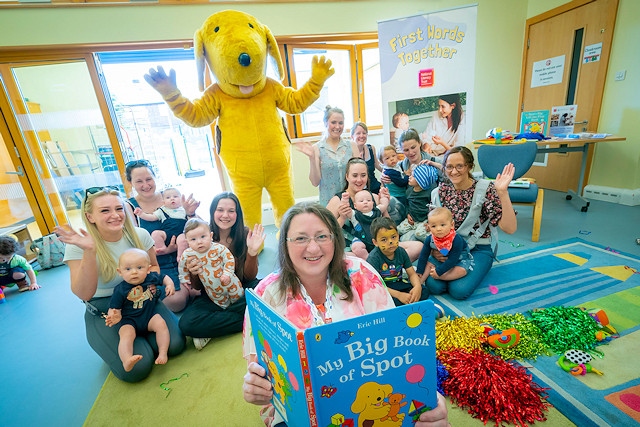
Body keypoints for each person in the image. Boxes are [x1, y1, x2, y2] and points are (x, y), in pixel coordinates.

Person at [241, 202, 449, 427]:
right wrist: (255, 388)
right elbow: (260, 373)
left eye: (322, 236)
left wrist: (427, 399)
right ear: (285, 244)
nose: (313, 248)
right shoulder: (265, 295)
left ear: (335, 239)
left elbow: (395, 350)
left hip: (372, 403)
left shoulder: (360, 273)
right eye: (301, 238)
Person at [55, 186, 185, 382]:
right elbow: (84, 294)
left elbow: (155, 268)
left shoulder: (140, 235)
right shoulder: (78, 246)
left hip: (143, 301)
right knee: (137, 369)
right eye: (105, 210)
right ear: (90, 217)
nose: (115, 215)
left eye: (118, 208)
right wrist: (89, 251)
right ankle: (132, 338)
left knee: (175, 345)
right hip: (107, 310)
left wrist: (152, 285)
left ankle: (141, 335)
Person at [427, 146, 516, 300]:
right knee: (435, 286)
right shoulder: (439, 192)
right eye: (449, 167)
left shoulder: (485, 189)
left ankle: (483, 265)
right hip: (447, 247)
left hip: (478, 248)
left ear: (469, 166)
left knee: (458, 290)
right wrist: (435, 250)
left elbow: (510, 228)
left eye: (459, 166)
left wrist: (502, 192)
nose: (454, 172)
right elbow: (433, 226)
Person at [178, 192, 265, 350]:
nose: (225, 215)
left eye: (231, 211)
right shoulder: (201, 236)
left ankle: (215, 325)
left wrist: (252, 252)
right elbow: (197, 288)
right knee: (186, 323)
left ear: (237, 214)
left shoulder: (244, 233)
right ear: (212, 212)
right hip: (213, 295)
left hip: (240, 290)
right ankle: (252, 318)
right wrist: (193, 272)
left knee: (265, 290)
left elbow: (249, 276)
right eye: (220, 210)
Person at [125, 159, 200, 313]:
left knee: (205, 288)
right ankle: (186, 293)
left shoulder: (170, 196)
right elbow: (134, 244)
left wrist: (191, 212)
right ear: (130, 182)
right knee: (176, 300)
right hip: (158, 263)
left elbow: (199, 227)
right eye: (139, 181)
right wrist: (166, 251)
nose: (146, 185)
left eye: (149, 179)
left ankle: (191, 292)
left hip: (187, 254)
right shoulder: (129, 206)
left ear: (155, 178)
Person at [326, 157, 423, 262]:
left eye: (363, 175)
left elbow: (390, 227)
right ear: (347, 177)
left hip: (380, 247)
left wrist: (385, 206)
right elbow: (327, 234)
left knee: (418, 247)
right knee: (339, 258)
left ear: (367, 177)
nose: (359, 180)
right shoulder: (337, 200)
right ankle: (377, 265)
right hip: (354, 250)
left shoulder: (374, 198)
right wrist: (342, 217)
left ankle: (380, 265)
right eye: (354, 175)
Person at [178, 218, 244, 346]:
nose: (199, 242)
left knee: (241, 299)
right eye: (193, 239)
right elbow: (182, 267)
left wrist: (227, 273)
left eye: (203, 237)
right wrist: (184, 278)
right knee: (221, 306)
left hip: (231, 284)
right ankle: (244, 318)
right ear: (187, 241)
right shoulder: (188, 254)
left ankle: (211, 327)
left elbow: (229, 260)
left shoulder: (218, 248)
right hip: (213, 291)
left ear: (211, 235)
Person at [106, 248, 172, 372]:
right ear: (120, 272)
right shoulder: (120, 290)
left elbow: (164, 278)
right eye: (128, 269)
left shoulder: (150, 278)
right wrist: (114, 316)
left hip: (148, 316)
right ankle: (126, 360)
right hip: (129, 320)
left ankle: (163, 353)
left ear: (148, 269)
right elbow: (114, 308)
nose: (134, 272)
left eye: (140, 268)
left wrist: (170, 285)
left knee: (161, 324)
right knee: (126, 335)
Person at [297, 106, 359, 206]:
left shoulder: (351, 146)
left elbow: (360, 175)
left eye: (341, 123)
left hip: (351, 202)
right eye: (333, 122)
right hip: (328, 203)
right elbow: (315, 182)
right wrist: (312, 158)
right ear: (326, 123)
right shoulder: (317, 148)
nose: (337, 127)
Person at [366, 217, 428, 307]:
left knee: (424, 291)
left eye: (394, 237)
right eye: (384, 240)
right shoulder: (373, 258)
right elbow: (375, 286)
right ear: (375, 242)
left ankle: (407, 302)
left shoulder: (401, 252)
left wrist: (417, 287)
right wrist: (399, 295)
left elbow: (411, 274)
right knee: (388, 302)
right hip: (383, 289)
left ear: (398, 236)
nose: (390, 242)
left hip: (398, 283)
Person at [416, 207, 474, 283]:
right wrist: (419, 271)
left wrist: (439, 271)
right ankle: (419, 283)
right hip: (440, 258)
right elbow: (423, 255)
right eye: (434, 226)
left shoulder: (456, 239)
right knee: (428, 263)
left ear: (452, 225)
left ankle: (440, 276)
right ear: (429, 227)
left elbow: (453, 260)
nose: (438, 229)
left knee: (462, 271)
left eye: (442, 225)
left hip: (459, 260)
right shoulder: (429, 239)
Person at [133, 186, 187, 257]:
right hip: (167, 233)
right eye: (168, 197)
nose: (172, 198)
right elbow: (152, 217)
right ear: (163, 202)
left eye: (175, 196)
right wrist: (141, 214)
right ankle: (161, 248)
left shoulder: (184, 209)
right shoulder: (162, 210)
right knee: (155, 234)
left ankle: (180, 257)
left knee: (183, 240)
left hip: (181, 234)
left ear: (181, 199)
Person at [397, 163, 440, 242]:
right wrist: (408, 214)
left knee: (419, 234)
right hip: (412, 219)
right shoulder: (409, 191)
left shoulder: (429, 194)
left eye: (413, 176)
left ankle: (437, 240)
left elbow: (434, 209)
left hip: (424, 220)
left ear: (421, 181)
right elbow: (407, 204)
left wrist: (430, 222)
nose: (409, 177)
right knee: (398, 230)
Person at [345, 189, 387, 259]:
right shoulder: (354, 214)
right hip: (361, 240)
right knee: (356, 247)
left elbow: (384, 204)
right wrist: (345, 199)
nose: (365, 202)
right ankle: (368, 260)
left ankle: (381, 258)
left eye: (368, 200)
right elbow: (346, 209)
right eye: (361, 201)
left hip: (379, 239)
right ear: (355, 206)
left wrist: (383, 195)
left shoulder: (377, 210)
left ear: (373, 203)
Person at [351, 121, 382, 194]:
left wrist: (388, 171)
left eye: (364, 133)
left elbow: (378, 165)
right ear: (352, 136)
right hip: (359, 191)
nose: (361, 136)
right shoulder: (349, 152)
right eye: (358, 133)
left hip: (374, 187)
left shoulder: (371, 148)